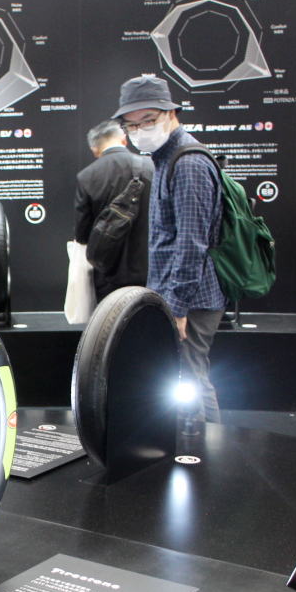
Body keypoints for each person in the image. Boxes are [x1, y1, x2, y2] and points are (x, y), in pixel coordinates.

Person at [114, 75, 224, 428]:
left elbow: (192, 244)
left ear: (171, 113)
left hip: (191, 300)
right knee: (182, 379)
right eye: (132, 125)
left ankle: (210, 449)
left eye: (148, 120)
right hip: (177, 296)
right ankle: (194, 444)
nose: (140, 130)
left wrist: (177, 309)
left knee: (190, 381)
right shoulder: (164, 158)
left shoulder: (188, 163)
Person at [73, 118, 153, 300]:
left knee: (112, 317)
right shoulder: (151, 167)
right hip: (151, 270)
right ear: (124, 140)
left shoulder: (86, 176)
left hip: (108, 273)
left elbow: (82, 234)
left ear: (95, 149)